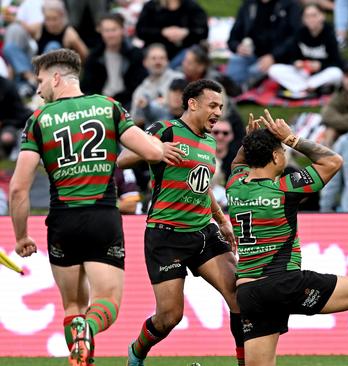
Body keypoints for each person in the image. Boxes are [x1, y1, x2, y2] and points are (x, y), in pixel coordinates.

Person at [9, 49, 166, 366]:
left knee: (72, 307)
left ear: (56, 77)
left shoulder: (38, 120)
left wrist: (22, 236)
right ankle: (89, 328)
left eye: (40, 81)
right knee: (106, 302)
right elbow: (151, 151)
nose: (39, 90)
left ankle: (81, 353)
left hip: (62, 221)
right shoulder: (109, 107)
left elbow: (17, 188)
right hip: (102, 216)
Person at [227, 108, 348, 366]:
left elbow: (237, 164)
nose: (285, 156)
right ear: (274, 156)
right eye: (282, 152)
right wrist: (292, 139)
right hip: (283, 283)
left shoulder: (234, 185)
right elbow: (333, 161)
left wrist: (249, 144)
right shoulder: (285, 188)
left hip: (248, 291)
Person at [117, 79, 245, 366]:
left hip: (203, 231)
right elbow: (122, 160)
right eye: (213, 105)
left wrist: (221, 220)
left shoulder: (210, 141)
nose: (218, 112)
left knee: (239, 296)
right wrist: (157, 150)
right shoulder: (165, 130)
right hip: (166, 236)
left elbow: (202, 185)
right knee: (169, 317)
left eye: (221, 107)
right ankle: (137, 351)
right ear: (193, 103)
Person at [268, 3, 343, 98]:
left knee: (337, 73)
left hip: (321, 74)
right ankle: (311, 89)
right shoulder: (300, 33)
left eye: (314, 15)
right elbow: (293, 57)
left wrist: (320, 65)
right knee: (273, 70)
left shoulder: (329, 34)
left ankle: (301, 89)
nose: (311, 19)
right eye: (307, 16)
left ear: (322, 16)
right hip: (304, 73)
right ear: (303, 19)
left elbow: (337, 62)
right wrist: (297, 63)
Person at [226, 0, 302, 87]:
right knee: (235, 66)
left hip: (279, 58)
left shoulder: (290, 5)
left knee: (253, 72)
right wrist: (237, 47)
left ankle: (243, 88)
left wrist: (273, 57)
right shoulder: (248, 4)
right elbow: (233, 37)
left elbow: (295, 37)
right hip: (251, 53)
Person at [80, 13, 147, 108]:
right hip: (100, 103)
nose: (110, 35)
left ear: (122, 30)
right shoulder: (94, 56)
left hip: (128, 102)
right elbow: (87, 85)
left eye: (114, 30)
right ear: (101, 32)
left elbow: (140, 83)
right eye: (106, 31)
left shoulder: (134, 54)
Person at [135, 0, 209, 68]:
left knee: (191, 56)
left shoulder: (192, 7)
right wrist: (162, 32)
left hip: (182, 53)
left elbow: (203, 31)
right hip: (157, 50)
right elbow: (140, 31)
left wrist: (186, 32)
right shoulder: (152, 6)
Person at [131, 43, 184, 127]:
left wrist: (166, 103)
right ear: (145, 62)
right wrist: (146, 109)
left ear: (167, 61)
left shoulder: (180, 79)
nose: (158, 62)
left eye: (162, 58)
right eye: (153, 58)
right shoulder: (140, 90)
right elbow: (134, 121)